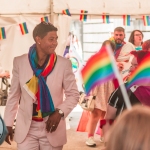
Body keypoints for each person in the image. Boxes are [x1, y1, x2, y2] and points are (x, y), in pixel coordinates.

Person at [4, 21, 79, 150]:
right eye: (51, 39)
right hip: (26, 129)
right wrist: (8, 123)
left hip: (52, 127)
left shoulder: (63, 64)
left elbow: (73, 95)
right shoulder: (20, 62)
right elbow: (13, 96)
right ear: (38, 39)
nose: (55, 43)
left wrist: (59, 112)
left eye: (56, 39)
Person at [101, 50, 150, 144]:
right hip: (124, 143)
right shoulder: (123, 90)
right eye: (131, 65)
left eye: (135, 65)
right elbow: (107, 119)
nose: (131, 69)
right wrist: (108, 141)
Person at [77, 40, 116, 147]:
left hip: (109, 89)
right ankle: (90, 137)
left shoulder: (113, 60)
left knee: (105, 115)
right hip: (97, 89)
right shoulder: (96, 58)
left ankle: (103, 135)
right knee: (95, 114)